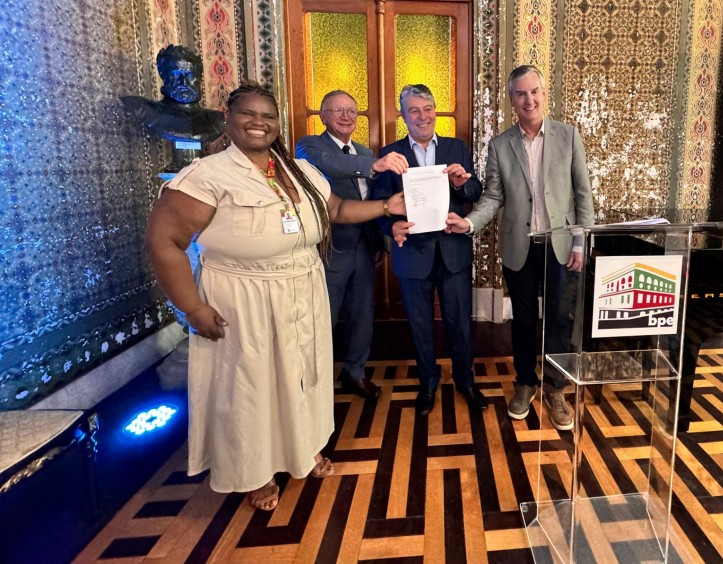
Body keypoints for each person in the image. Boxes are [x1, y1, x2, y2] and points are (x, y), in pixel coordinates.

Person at [145, 82, 405, 511]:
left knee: (303, 376)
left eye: (267, 115)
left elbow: (336, 210)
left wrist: (385, 207)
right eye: (248, 113)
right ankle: (255, 472)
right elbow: (163, 241)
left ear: (277, 123)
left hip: (303, 290)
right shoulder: (208, 175)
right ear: (228, 119)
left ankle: (304, 449)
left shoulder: (298, 171)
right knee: (251, 387)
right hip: (243, 299)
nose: (258, 122)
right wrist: (192, 307)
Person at [445, 65, 594, 430]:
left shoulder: (568, 136)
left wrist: (580, 241)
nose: (529, 100)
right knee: (524, 321)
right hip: (520, 247)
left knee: (560, 319)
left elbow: (583, 195)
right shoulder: (500, 145)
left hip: (561, 245)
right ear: (511, 99)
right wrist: (469, 223)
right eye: (521, 94)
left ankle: (556, 388)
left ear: (544, 93)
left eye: (534, 91)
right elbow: (493, 196)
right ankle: (525, 382)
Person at [371, 84, 486, 416]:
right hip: (412, 256)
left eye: (427, 109)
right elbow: (378, 206)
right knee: (420, 325)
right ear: (403, 115)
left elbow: (474, 190)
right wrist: (390, 228)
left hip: (453, 252)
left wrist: (462, 184)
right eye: (414, 110)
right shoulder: (390, 154)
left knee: (459, 323)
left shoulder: (455, 147)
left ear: (435, 110)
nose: (422, 116)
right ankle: (428, 383)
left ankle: (465, 381)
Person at [295, 90, 409, 399]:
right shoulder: (310, 146)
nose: (346, 116)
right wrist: (375, 164)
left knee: (362, 315)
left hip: (365, 247)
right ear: (323, 116)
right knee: (323, 319)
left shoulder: (365, 152)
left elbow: (376, 201)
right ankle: (313, 384)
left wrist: (382, 242)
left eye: (351, 111)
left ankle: (355, 373)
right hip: (330, 250)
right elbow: (331, 164)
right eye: (338, 110)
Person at [121, 44, 226, 172]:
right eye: (176, 74)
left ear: (199, 78)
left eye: (190, 75)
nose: (184, 82)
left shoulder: (217, 119)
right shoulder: (146, 110)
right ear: (163, 76)